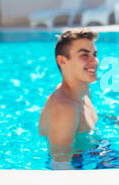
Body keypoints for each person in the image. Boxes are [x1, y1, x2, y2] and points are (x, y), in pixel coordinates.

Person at [39, 28, 99, 169]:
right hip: (81, 164)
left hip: (93, 155)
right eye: (84, 55)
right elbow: (60, 166)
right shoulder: (65, 108)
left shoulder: (82, 91)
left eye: (94, 54)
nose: (94, 61)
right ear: (62, 61)